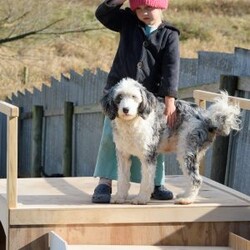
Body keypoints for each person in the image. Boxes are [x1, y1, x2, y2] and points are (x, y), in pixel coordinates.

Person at [92, 0, 180, 203]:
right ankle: (105, 182)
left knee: (154, 140)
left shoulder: (170, 35)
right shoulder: (127, 22)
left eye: (149, 7)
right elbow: (102, 14)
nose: (144, 13)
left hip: (148, 99)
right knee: (110, 137)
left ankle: (156, 183)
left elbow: (171, 68)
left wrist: (170, 99)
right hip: (119, 93)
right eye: (139, 8)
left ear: (161, 6)